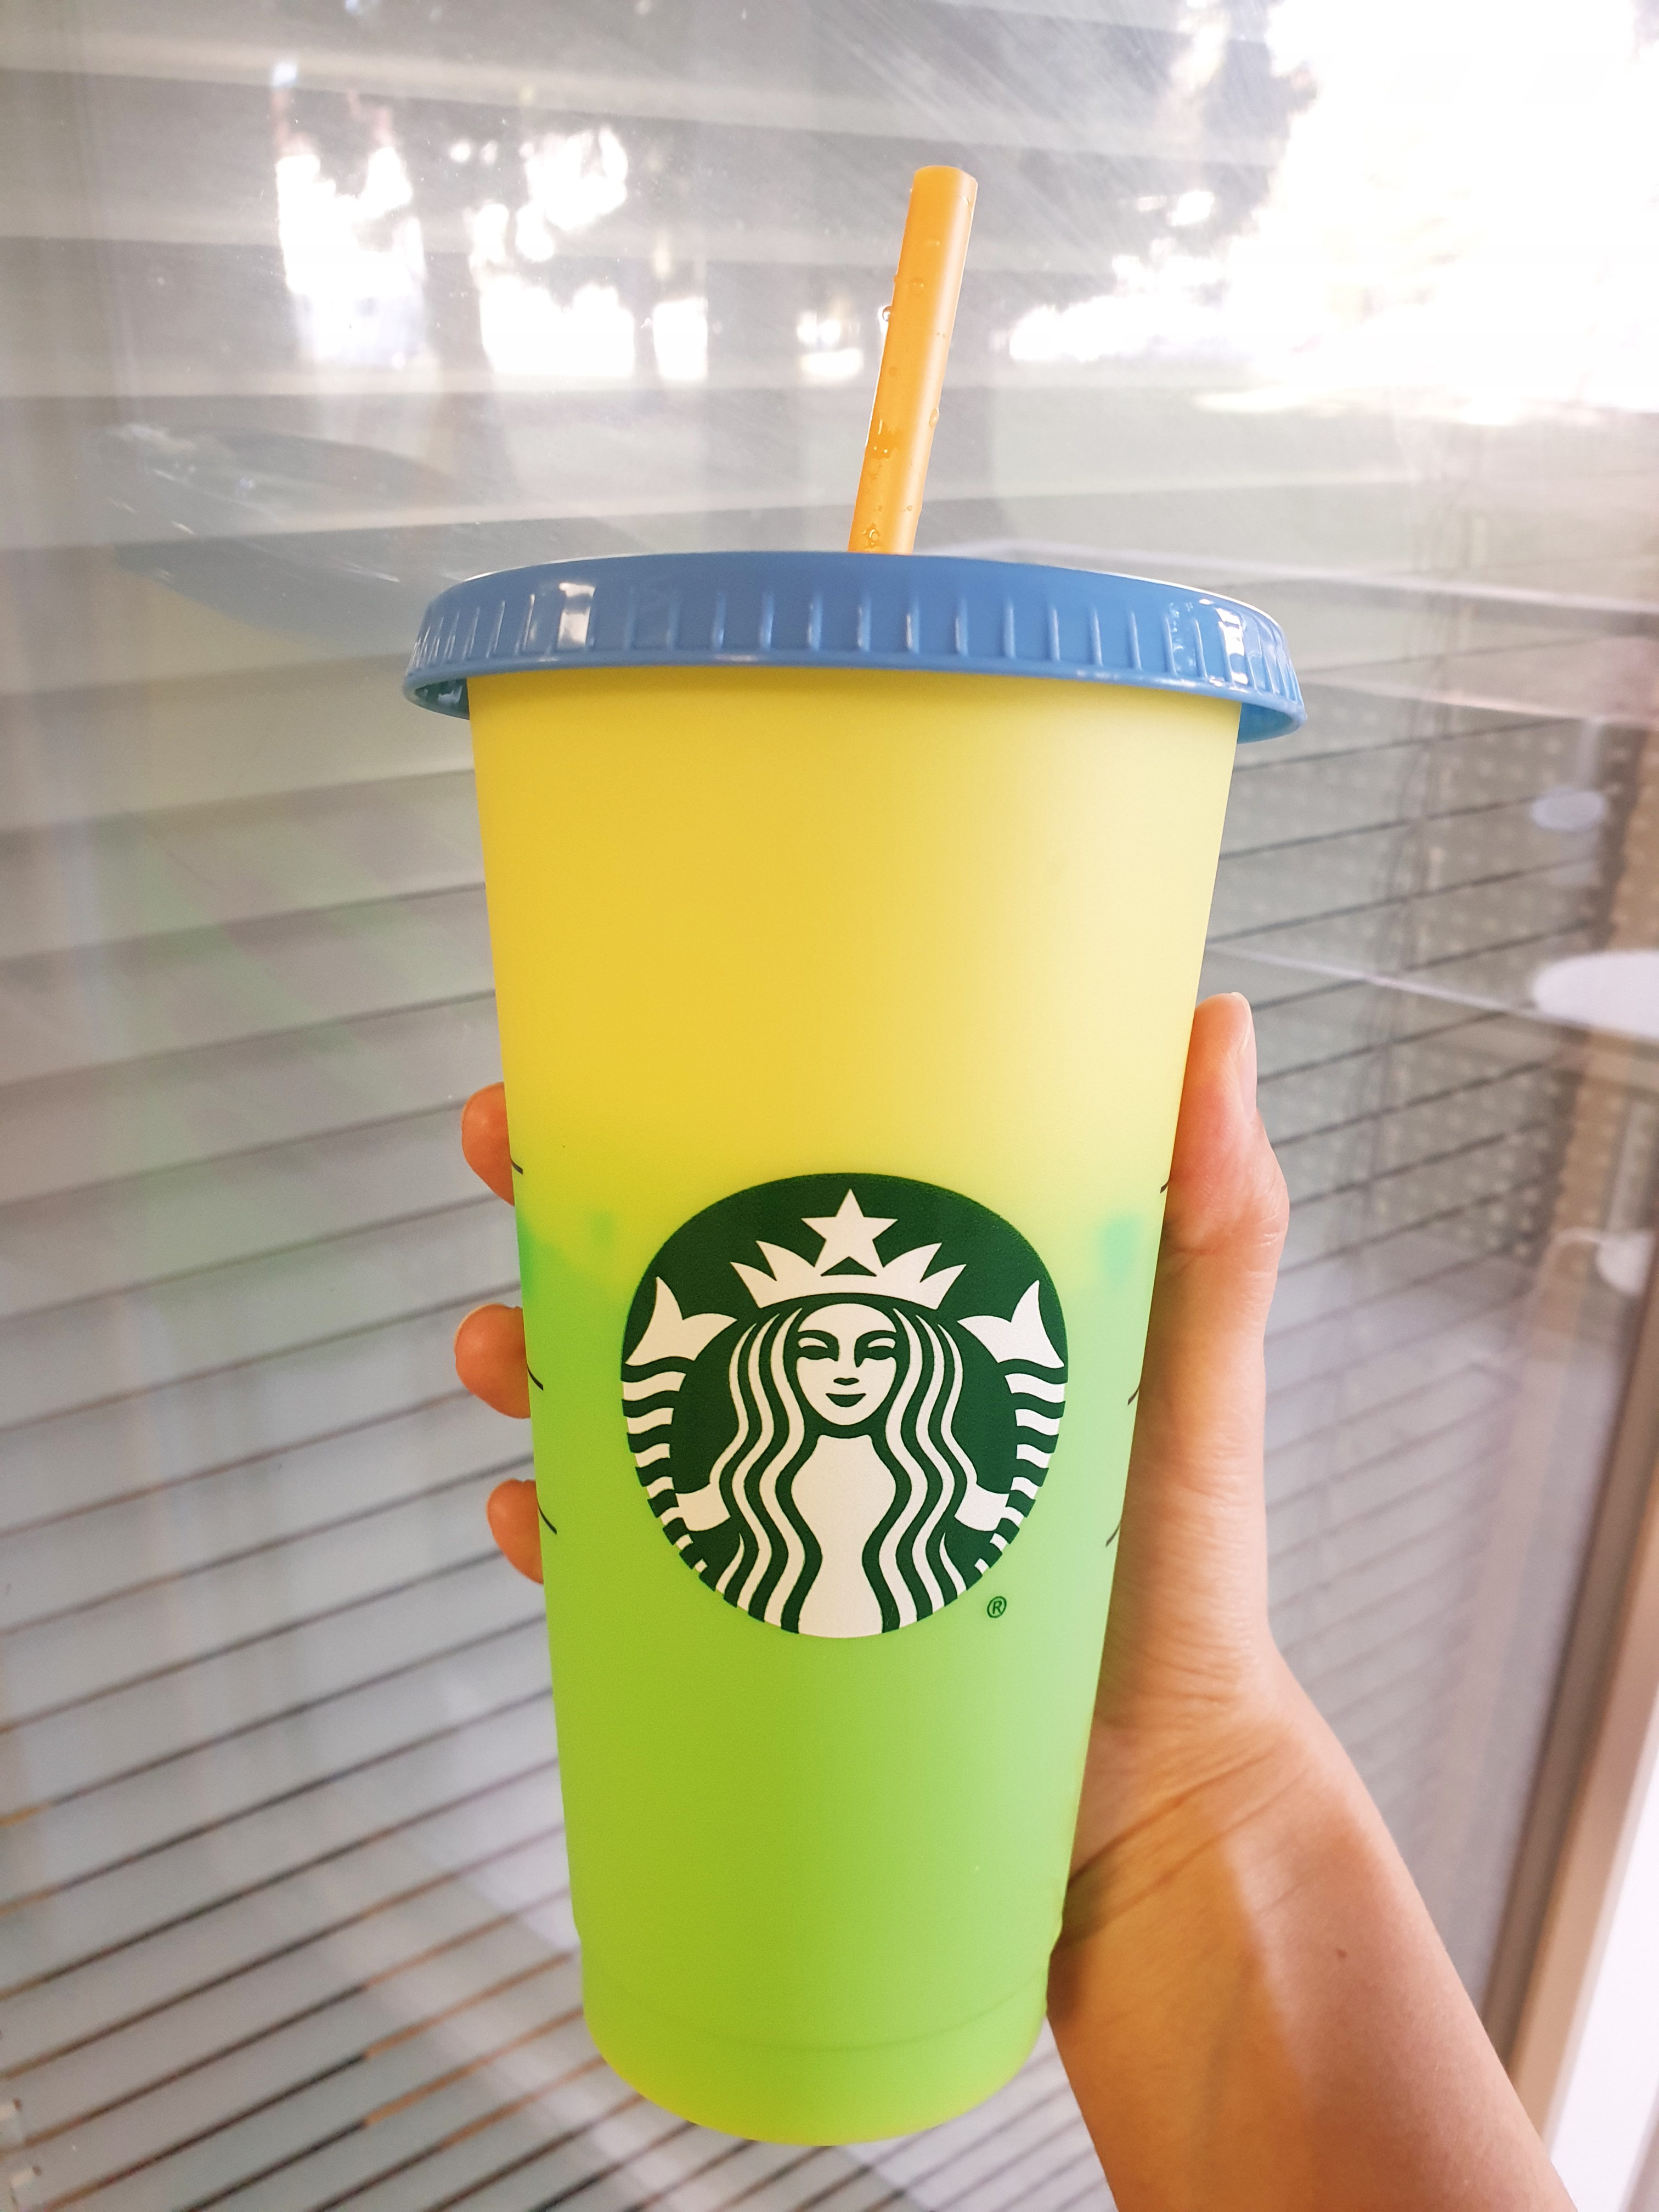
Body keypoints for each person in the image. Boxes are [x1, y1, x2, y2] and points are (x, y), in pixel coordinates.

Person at [454, 994, 1573, 2210]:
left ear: (922, 1363)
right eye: (815, 1349)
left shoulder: (940, 1483)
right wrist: (1191, 1794)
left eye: (877, 1350)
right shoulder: (749, 1486)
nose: (845, 1372)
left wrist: (1189, 1771)